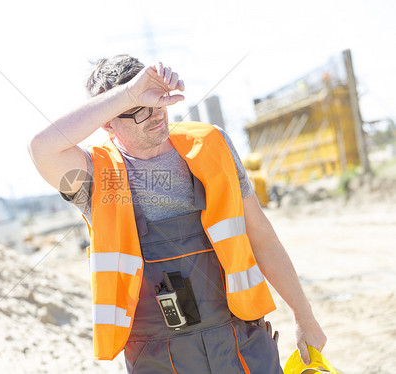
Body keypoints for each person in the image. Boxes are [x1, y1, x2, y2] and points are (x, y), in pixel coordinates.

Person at [28, 55, 327, 373]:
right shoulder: (98, 175)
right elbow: (42, 148)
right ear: (108, 120)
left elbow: (261, 236)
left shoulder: (211, 146)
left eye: (157, 100)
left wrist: (304, 316)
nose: (155, 113)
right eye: (138, 108)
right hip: (159, 359)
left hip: (241, 343)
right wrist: (129, 93)